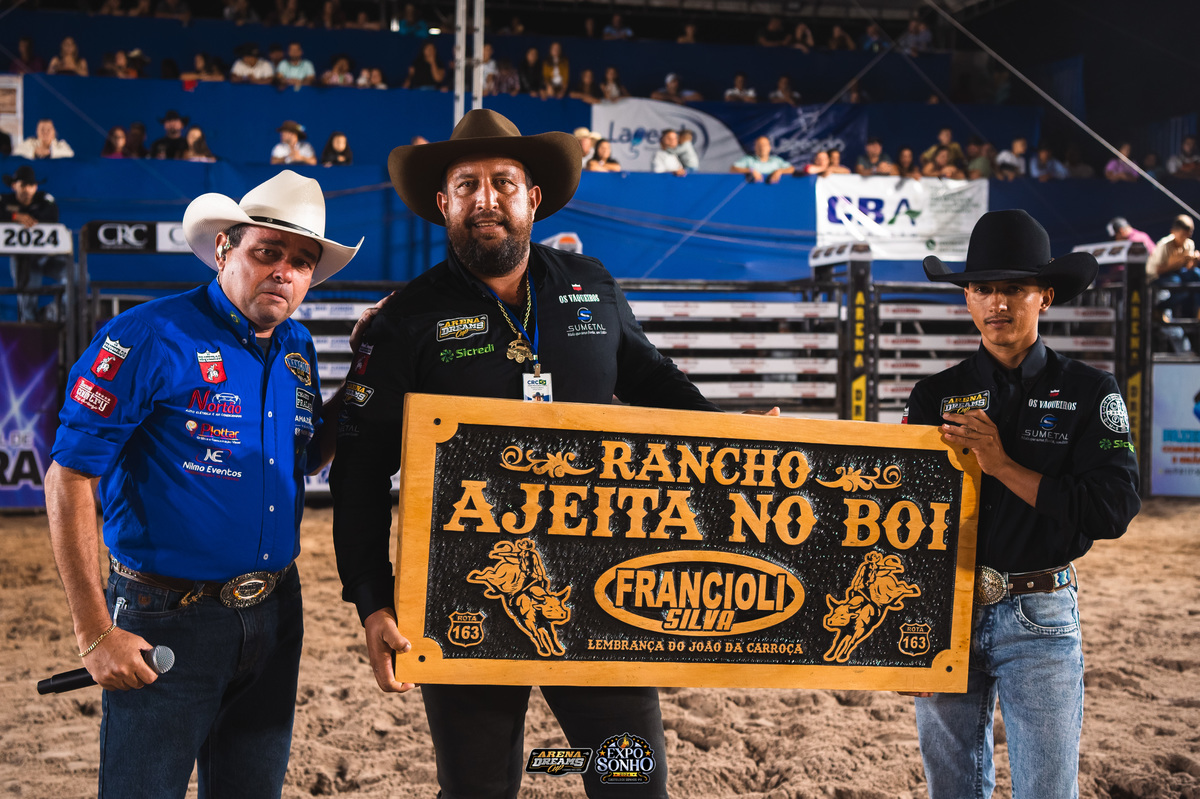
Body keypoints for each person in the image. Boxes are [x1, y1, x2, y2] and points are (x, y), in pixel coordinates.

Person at [329, 107, 719, 799]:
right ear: (444, 203)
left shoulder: (590, 284)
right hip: (461, 591)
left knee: (633, 783)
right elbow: (359, 474)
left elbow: (656, 382)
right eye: (467, 185)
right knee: (478, 789)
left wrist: (741, 439)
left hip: (602, 585)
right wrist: (372, 600)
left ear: (532, 197)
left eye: (503, 182)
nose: (486, 199)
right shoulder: (407, 320)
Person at [43, 170, 361, 798]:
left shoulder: (296, 345)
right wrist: (94, 631)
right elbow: (69, 475)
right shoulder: (146, 336)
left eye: (301, 262)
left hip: (276, 612)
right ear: (224, 250)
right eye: (267, 252)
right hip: (166, 618)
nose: (284, 272)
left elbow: (306, 459)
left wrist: (366, 377)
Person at [901, 208, 1140, 799]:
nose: (997, 303)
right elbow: (907, 518)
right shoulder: (933, 395)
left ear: (1045, 297)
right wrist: (909, 632)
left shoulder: (1091, 390)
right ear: (967, 299)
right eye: (983, 289)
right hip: (944, 612)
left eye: (1014, 288)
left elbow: (1113, 509)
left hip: (1041, 614)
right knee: (952, 792)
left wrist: (1002, 463)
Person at [2, 165, 72, 322]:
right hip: (23, 259)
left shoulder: (44, 198)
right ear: (14, 186)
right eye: (23, 185)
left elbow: (51, 214)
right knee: (27, 301)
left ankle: (55, 313)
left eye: (31, 185)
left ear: (36, 187)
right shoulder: (5, 200)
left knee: (76, 276)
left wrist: (24, 216)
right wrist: (14, 216)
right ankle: (30, 329)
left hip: (49, 255)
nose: (27, 189)